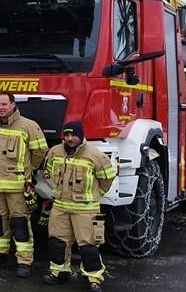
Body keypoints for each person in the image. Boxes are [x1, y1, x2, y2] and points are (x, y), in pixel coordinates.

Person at [0, 92, 49, 278]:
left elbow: (40, 151)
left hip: (18, 187)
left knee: (20, 223)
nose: (1, 107)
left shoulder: (28, 126)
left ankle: (24, 261)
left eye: (4, 104)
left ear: (13, 105)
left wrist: (29, 169)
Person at [43, 122, 116, 292]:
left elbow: (108, 178)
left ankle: (94, 279)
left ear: (81, 136)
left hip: (86, 209)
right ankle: (59, 273)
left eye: (73, 135)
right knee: (57, 242)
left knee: (88, 246)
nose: (69, 139)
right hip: (60, 207)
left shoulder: (95, 155)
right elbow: (48, 171)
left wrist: (96, 195)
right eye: (66, 135)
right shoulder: (54, 152)